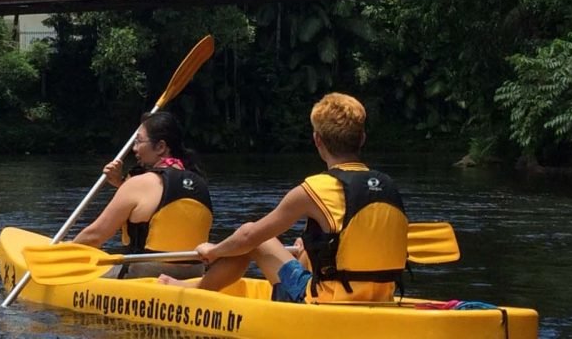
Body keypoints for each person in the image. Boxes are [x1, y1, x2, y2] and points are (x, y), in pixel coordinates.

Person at [159, 93, 408, 304]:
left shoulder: (316, 187)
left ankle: (197, 291)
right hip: (380, 298)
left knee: (252, 235)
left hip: (328, 301)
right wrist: (313, 249)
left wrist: (214, 251)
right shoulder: (388, 186)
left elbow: (249, 238)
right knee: (307, 249)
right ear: (362, 139)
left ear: (317, 140)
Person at [72, 111, 213, 279]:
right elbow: (158, 206)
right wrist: (121, 184)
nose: (134, 148)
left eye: (138, 141)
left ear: (160, 147)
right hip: (193, 276)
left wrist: (62, 254)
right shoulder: (199, 183)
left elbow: (93, 236)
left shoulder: (139, 183)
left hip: (144, 275)